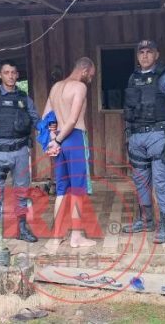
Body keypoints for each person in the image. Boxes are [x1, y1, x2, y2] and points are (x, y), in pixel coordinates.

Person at [122, 39, 165, 244]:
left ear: (156, 55)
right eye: (141, 52)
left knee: (161, 181)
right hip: (136, 137)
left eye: (149, 52)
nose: (145, 55)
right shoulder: (133, 78)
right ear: (137, 55)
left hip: (157, 136)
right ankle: (146, 220)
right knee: (140, 181)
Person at [0, 61, 40, 250]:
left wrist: (50, 130)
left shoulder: (24, 98)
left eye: (13, 72)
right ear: (0, 75)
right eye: (6, 72)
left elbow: (36, 120)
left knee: (22, 192)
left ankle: (22, 228)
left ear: (17, 75)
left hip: (20, 152)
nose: (10, 76)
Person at [44, 57, 97, 249]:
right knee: (77, 190)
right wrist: (58, 140)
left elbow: (46, 117)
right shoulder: (79, 87)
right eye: (91, 75)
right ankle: (76, 237)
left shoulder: (55, 87)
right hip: (74, 138)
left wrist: (53, 139)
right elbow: (73, 120)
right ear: (84, 70)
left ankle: (56, 237)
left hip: (59, 139)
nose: (90, 79)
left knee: (61, 190)